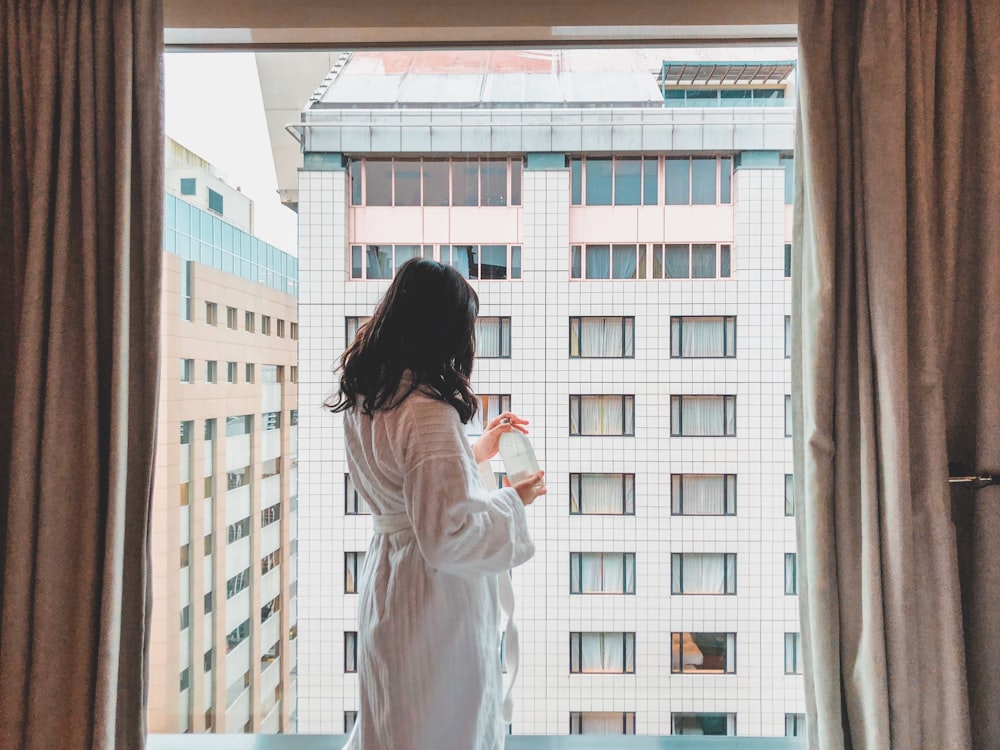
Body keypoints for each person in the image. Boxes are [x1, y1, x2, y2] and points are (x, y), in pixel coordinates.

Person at [326, 258, 546, 750]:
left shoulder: (370, 393)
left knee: (397, 720)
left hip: (389, 581)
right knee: (441, 725)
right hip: (433, 600)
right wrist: (517, 497)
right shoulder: (428, 409)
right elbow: (450, 534)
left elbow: (409, 481)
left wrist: (478, 449)